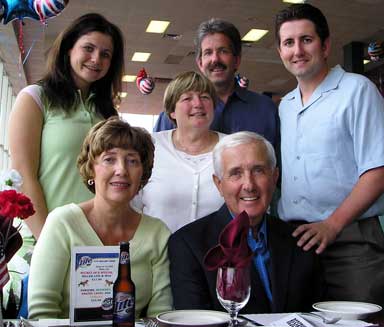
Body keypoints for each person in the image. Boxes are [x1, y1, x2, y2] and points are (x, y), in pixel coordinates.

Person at [275, 3, 384, 306]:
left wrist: (332, 225)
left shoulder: (357, 90)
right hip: (297, 241)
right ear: (280, 52)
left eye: (306, 40)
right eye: (288, 43)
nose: (297, 50)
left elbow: (380, 171)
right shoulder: (286, 105)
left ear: (326, 45)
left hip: (350, 242)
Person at [7, 12, 124, 311]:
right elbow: (23, 175)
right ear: (69, 48)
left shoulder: (108, 116)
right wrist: (51, 243)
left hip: (95, 250)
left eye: (106, 54)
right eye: (89, 48)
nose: (96, 59)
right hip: (44, 243)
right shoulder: (36, 98)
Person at [28, 117, 172, 319]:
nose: (121, 169)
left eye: (132, 160)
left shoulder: (158, 234)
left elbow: (160, 316)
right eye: (109, 159)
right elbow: (41, 313)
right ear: (91, 169)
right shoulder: (62, 224)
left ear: (143, 173)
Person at [168, 132, 323, 313]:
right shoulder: (188, 244)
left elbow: (318, 315)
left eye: (258, 170)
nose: (249, 185)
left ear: (274, 178)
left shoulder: (300, 241)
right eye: (236, 173)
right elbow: (194, 322)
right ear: (219, 184)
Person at [153, 18, 279, 149]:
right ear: (200, 63)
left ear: (236, 60)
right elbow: (155, 161)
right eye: (208, 53)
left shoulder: (265, 109)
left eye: (223, 51)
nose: (215, 59)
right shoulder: (176, 114)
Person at [132, 71, 225, 233]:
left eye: (205, 97)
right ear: (172, 111)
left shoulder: (233, 148)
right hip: (158, 256)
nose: (198, 103)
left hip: (219, 256)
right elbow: (131, 207)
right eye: (187, 98)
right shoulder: (149, 146)